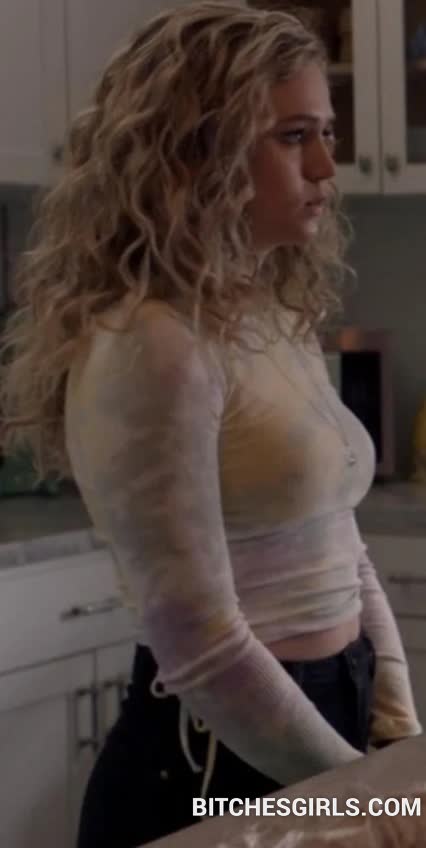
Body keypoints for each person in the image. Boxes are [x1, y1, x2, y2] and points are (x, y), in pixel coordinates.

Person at [0, 2, 422, 846]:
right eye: (293, 137)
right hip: (217, 758)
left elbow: (342, 545)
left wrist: (397, 737)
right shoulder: (151, 342)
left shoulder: (272, 312)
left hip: (327, 722)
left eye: (327, 133)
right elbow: (199, 644)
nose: (326, 167)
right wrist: (363, 801)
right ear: (198, 151)